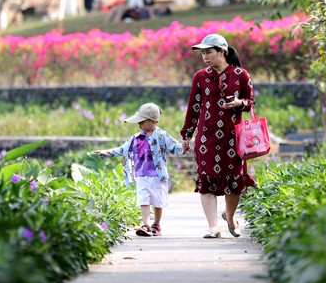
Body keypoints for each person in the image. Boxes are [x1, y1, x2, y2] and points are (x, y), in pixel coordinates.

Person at [180, 33, 256, 239]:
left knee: (234, 179)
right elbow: (194, 108)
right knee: (206, 179)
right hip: (206, 137)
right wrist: (187, 135)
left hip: (233, 137)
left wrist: (240, 103)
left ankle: (230, 217)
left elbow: (251, 102)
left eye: (209, 52)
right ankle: (213, 227)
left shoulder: (241, 75)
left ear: (222, 51)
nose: (205, 57)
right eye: (202, 53)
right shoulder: (200, 77)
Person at [94, 102, 184, 237]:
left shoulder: (161, 136)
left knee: (157, 201)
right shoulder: (136, 139)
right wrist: (106, 153)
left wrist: (185, 145)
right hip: (141, 174)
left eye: (141, 121)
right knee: (144, 200)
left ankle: (156, 224)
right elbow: (122, 149)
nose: (139, 124)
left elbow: (175, 147)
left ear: (153, 121)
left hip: (157, 176)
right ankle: (146, 224)